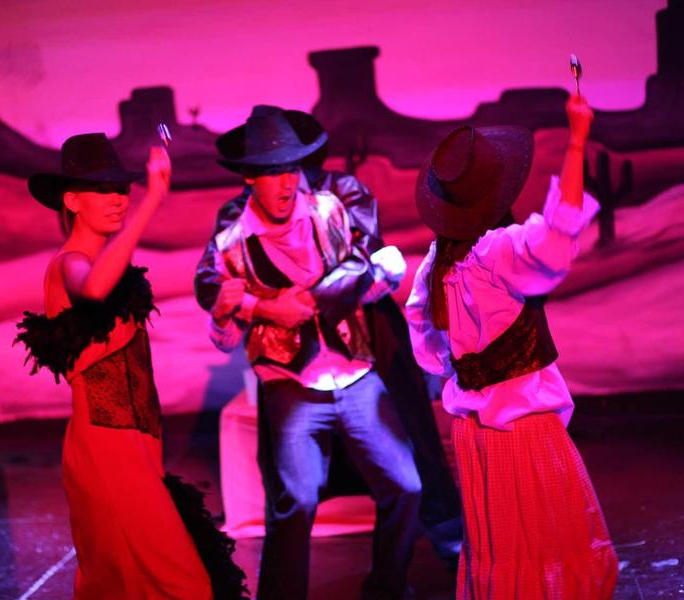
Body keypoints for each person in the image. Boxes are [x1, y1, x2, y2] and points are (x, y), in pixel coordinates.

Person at [195, 105, 462, 600]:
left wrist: (305, 301)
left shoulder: (333, 203)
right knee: (294, 500)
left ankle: (387, 587)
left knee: (407, 483)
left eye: (291, 169)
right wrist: (261, 308)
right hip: (290, 382)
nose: (285, 183)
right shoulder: (234, 231)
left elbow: (367, 263)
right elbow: (214, 295)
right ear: (249, 178)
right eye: (272, 172)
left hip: (357, 371)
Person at [15, 133, 247, 599]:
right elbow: (93, 290)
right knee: (182, 582)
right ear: (72, 200)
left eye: (122, 189)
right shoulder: (70, 264)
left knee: (123, 582)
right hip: (104, 447)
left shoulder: (107, 263)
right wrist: (152, 200)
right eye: (104, 191)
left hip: (137, 443)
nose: (118, 200)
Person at [405, 95, 619, 598]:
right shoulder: (496, 252)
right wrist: (577, 140)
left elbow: (427, 342)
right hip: (521, 429)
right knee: (549, 546)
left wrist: (466, 370)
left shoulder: (438, 263)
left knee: (505, 553)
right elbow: (559, 231)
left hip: (476, 435)